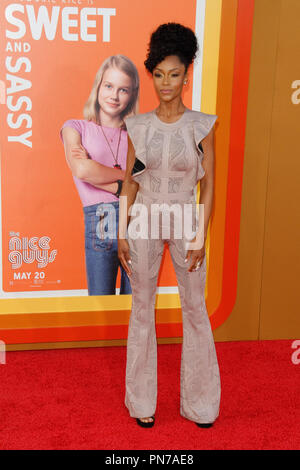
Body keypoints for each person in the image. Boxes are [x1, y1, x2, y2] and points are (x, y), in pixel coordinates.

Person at [118, 23, 221, 427]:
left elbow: (209, 185)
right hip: (142, 218)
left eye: (174, 73)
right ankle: (141, 403)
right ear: (151, 74)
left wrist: (201, 234)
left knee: (195, 308)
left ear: (186, 73)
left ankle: (201, 405)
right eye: (159, 74)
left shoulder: (202, 125)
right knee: (141, 308)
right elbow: (128, 181)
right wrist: (122, 230)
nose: (166, 83)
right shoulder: (137, 126)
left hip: (185, 219)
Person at [60, 55, 139, 295]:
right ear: (98, 85)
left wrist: (109, 181)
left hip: (137, 220)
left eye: (123, 89)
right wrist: (124, 181)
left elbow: (146, 183)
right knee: (100, 304)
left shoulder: (137, 135)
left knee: (135, 307)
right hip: (100, 221)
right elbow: (82, 170)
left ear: (132, 94)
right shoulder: (76, 128)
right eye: (109, 86)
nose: (114, 96)